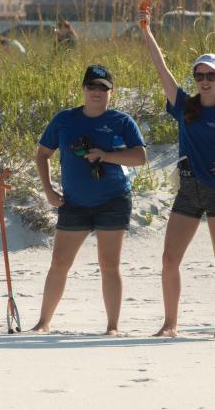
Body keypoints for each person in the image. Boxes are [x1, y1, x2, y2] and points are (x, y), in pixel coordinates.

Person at [138, 8, 215, 339]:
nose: (204, 81)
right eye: (199, 76)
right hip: (189, 188)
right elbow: (162, 69)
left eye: (211, 75)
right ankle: (170, 324)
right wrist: (147, 31)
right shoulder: (185, 106)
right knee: (169, 259)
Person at [31, 64, 147, 335]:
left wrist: (104, 155)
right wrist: (48, 191)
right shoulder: (65, 119)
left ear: (111, 92)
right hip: (74, 202)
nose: (97, 93)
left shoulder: (121, 121)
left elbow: (139, 157)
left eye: (103, 88)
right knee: (59, 263)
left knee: (109, 265)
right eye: (92, 87)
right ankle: (43, 322)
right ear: (83, 89)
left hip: (113, 199)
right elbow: (42, 155)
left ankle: (112, 327)